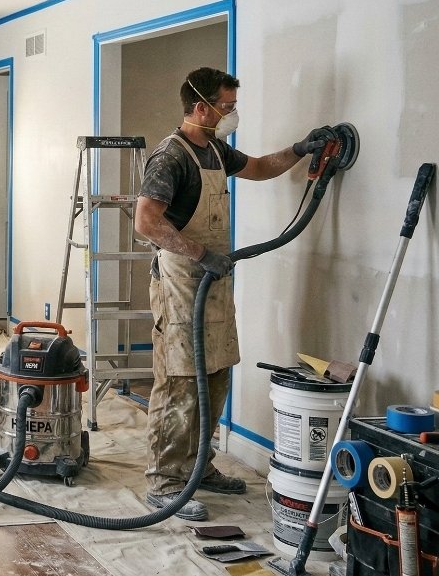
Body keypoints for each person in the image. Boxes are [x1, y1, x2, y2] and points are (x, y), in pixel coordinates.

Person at [134, 67, 331, 521]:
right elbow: (146, 221)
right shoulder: (172, 157)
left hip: (215, 281)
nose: (230, 114)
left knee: (217, 372)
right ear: (200, 106)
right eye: (225, 106)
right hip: (182, 284)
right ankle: (165, 482)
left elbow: (260, 168)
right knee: (182, 381)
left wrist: (301, 150)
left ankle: (198, 467)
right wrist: (200, 253)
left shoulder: (216, 150)